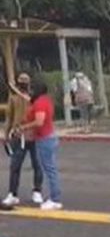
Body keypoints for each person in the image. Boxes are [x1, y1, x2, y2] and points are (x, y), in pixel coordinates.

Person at [14, 78, 62, 210]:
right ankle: (54, 197)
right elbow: (27, 98)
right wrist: (17, 90)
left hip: (45, 139)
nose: (30, 90)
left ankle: (55, 199)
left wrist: (24, 127)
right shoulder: (45, 100)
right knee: (50, 168)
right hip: (48, 137)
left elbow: (39, 121)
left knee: (49, 169)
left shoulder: (40, 103)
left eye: (32, 88)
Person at [3, 73, 44, 207]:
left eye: (25, 81)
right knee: (15, 165)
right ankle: (12, 194)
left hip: (34, 135)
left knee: (37, 164)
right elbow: (9, 117)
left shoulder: (33, 97)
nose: (23, 83)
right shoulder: (13, 97)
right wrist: (6, 134)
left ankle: (37, 191)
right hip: (18, 135)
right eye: (21, 81)